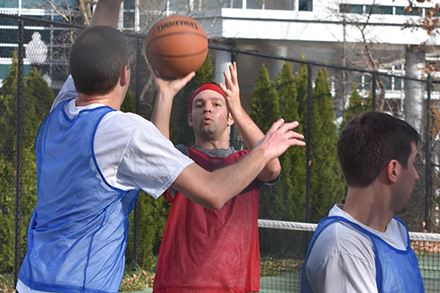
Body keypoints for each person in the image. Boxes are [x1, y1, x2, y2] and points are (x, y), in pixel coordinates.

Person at [16, 1, 305, 293]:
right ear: (124, 75)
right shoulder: (123, 131)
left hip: (32, 278)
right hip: (78, 287)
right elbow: (214, 192)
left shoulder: (60, 111)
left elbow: (98, 35)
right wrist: (266, 148)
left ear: (74, 75)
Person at [150, 62, 297, 292]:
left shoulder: (248, 160)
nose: (207, 108)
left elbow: (271, 167)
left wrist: (237, 108)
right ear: (190, 119)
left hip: (236, 285)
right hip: (182, 285)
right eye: (199, 105)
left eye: (217, 104)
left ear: (230, 119)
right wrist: (164, 94)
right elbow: (156, 159)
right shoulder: (182, 157)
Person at [301, 111, 424, 293]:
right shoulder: (343, 248)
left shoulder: (396, 228)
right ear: (394, 170)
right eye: (414, 164)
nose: (416, 176)